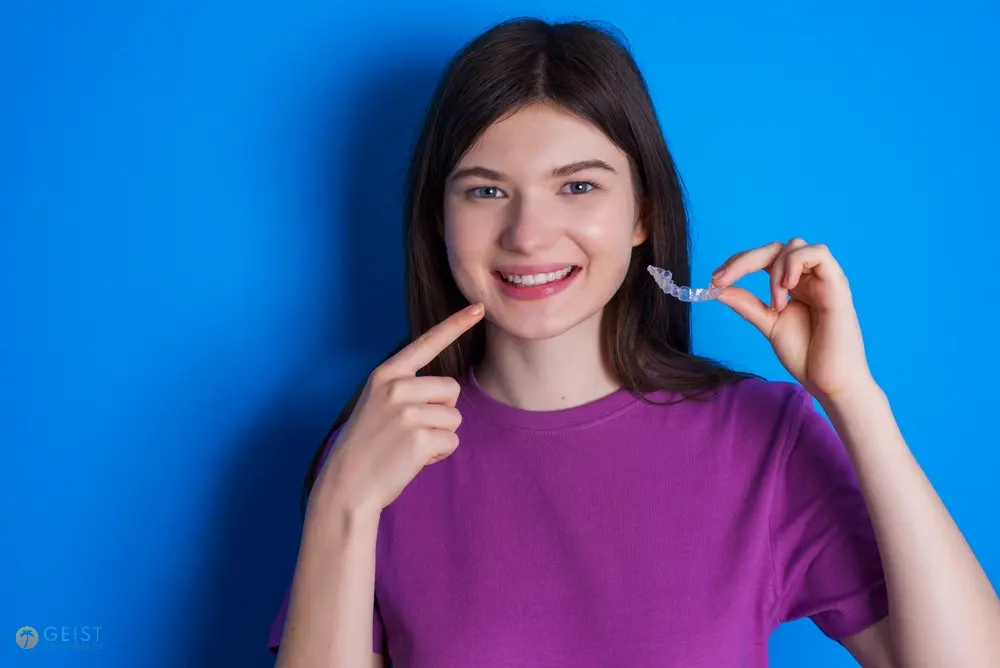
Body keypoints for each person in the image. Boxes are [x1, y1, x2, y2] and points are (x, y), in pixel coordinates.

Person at [267, 17, 1000, 668]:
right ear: (439, 217)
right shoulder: (380, 449)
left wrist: (853, 399)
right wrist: (343, 501)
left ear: (643, 212)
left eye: (578, 187)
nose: (527, 235)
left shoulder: (761, 439)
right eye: (486, 191)